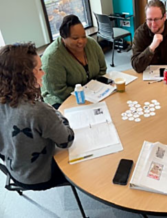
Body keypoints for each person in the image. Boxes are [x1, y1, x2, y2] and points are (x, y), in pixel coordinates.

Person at [0, 43, 74, 190]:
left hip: (14, 169)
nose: (43, 73)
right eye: (39, 69)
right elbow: (66, 140)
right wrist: (56, 113)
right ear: (25, 76)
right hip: (39, 176)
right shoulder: (38, 111)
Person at [41, 14, 107, 109]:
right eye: (75, 38)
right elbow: (58, 91)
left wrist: (94, 89)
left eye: (83, 36)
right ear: (63, 38)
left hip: (93, 93)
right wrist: (86, 94)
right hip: (61, 100)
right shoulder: (52, 58)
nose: (81, 41)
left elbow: (102, 69)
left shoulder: (91, 44)